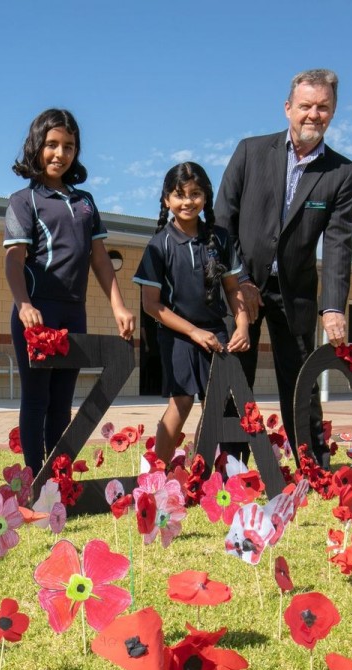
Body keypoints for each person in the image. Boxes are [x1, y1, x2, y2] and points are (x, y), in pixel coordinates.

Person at [215, 68, 352, 467]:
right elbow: (223, 221)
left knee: (301, 383)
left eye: (323, 107)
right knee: (234, 380)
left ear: (333, 111)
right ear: (288, 109)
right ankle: (231, 467)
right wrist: (238, 279)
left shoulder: (342, 173)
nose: (314, 114)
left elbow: (338, 243)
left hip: (294, 293)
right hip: (241, 285)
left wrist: (332, 306)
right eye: (306, 106)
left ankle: (312, 464)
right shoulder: (250, 151)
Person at [4, 109, 135, 476]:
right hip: (37, 313)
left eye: (68, 146)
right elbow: (13, 262)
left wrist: (119, 306)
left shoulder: (86, 202)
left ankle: (57, 477)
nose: (59, 154)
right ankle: (34, 478)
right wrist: (24, 304)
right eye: (51, 145)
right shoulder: (23, 201)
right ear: (36, 146)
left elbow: (101, 260)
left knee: (62, 401)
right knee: (36, 398)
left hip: (74, 314)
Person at [135, 162, 250, 466]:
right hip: (178, 336)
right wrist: (193, 332)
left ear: (205, 197)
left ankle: (199, 471)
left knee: (216, 406)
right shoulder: (159, 245)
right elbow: (151, 305)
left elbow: (233, 290)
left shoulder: (221, 239)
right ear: (166, 201)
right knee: (182, 401)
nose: (188, 201)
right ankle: (156, 476)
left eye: (195, 194)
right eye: (179, 194)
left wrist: (242, 325)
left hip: (217, 333)